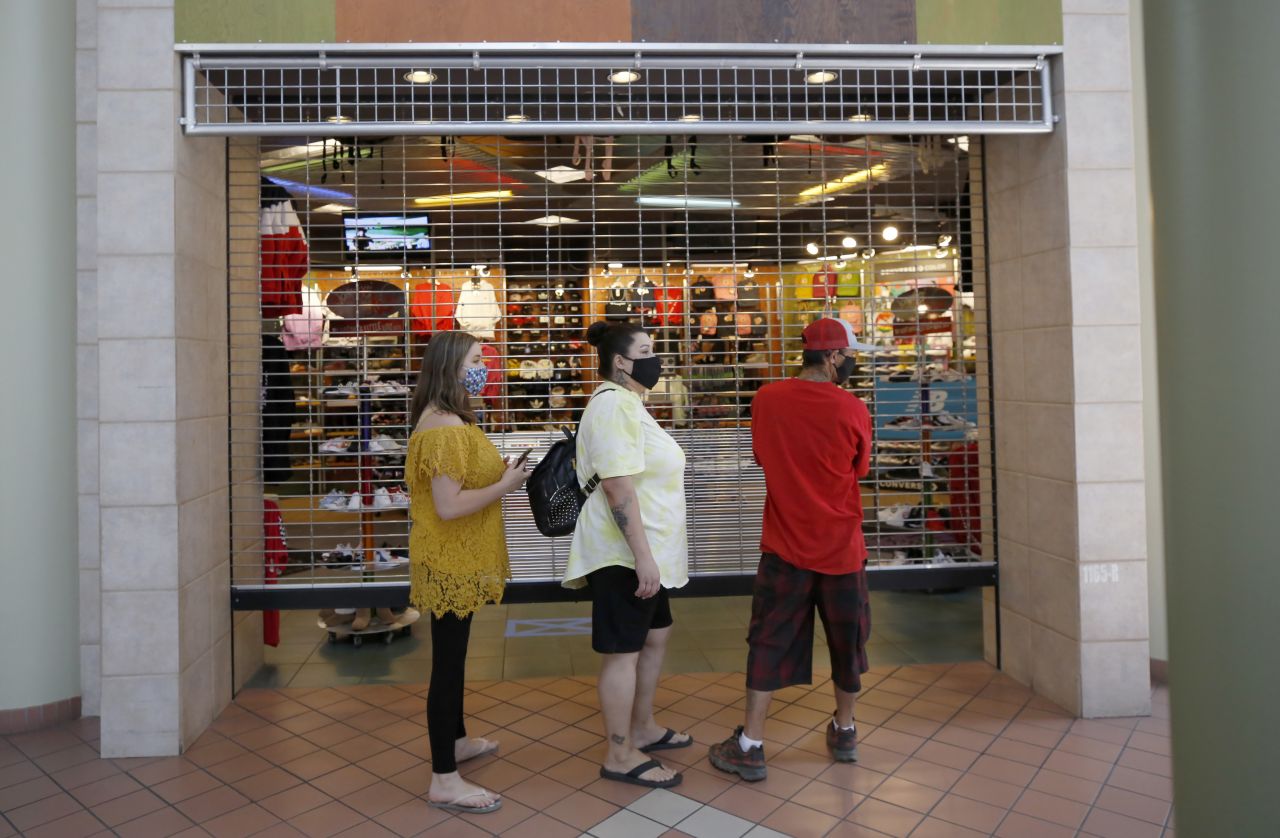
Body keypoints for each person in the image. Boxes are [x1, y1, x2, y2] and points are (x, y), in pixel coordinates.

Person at [708, 318, 878, 782]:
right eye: (850, 355)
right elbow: (859, 469)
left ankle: (751, 744)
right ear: (832, 357)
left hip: (784, 545)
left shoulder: (767, 399)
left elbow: (764, 456)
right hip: (842, 547)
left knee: (768, 641)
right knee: (849, 639)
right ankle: (845, 730)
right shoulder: (853, 409)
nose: (853, 363)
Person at [406, 331, 530, 814]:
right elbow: (449, 505)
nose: (485, 367)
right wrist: (506, 484)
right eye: (478, 360)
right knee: (448, 664)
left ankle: (455, 742)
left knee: (453, 658)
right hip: (449, 559)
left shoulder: (453, 419)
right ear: (452, 366)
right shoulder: (444, 426)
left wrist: (498, 473)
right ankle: (444, 778)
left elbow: (459, 481)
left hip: (458, 556)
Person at [565, 321, 692, 789]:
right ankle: (619, 752)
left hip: (648, 549)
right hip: (624, 554)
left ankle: (642, 726)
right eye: (646, 350)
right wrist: (642, 556)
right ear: (621, 361)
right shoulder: (614, 405)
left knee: (657, 635)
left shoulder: (631, 404)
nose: (654, 358)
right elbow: (618, 487)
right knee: (624, 652)